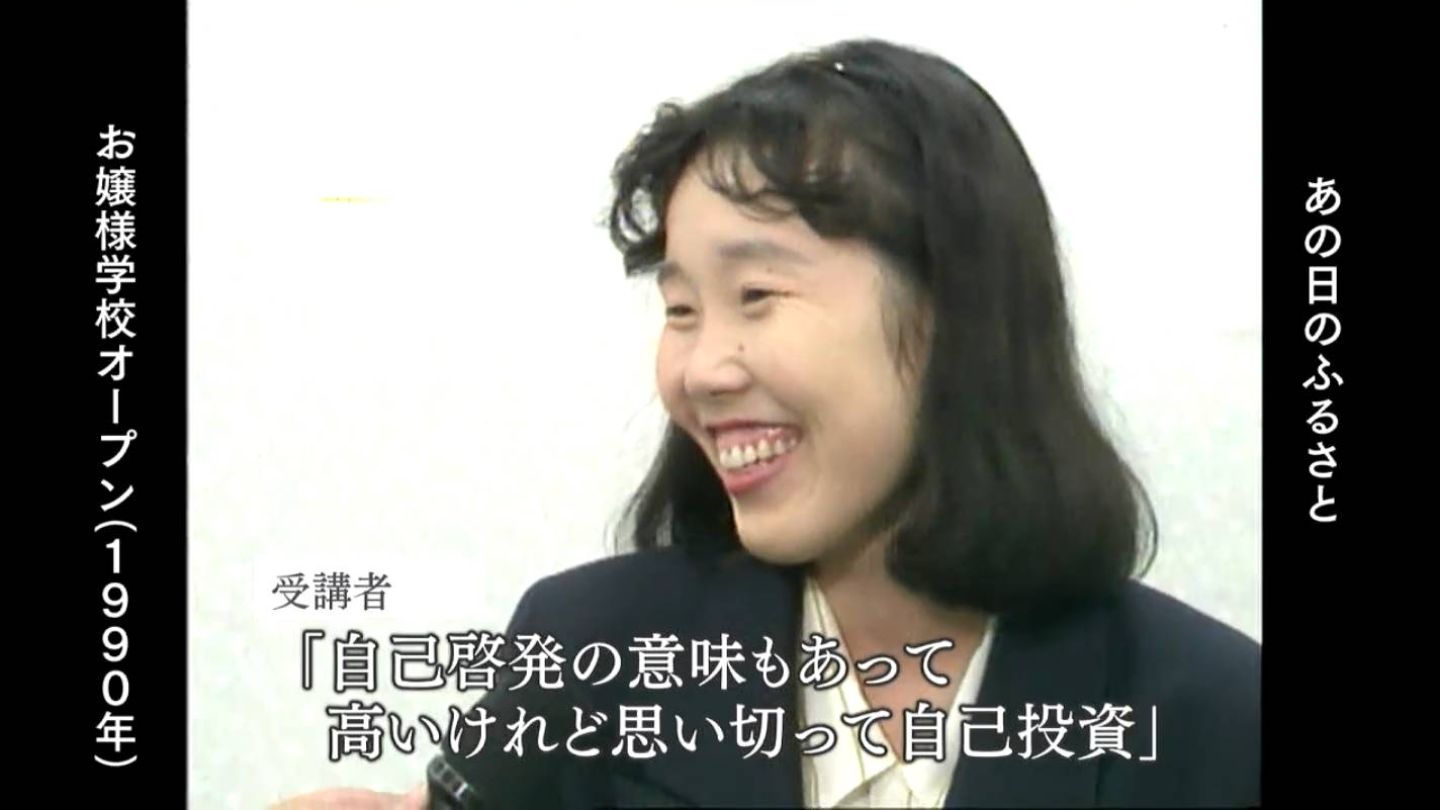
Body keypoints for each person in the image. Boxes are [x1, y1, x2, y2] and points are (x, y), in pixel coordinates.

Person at [275, 37, 1259, 809]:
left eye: (756, 295)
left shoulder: (1216, 719)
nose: (702, 369)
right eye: (681, 308)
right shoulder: (587, 654)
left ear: (954, 311)